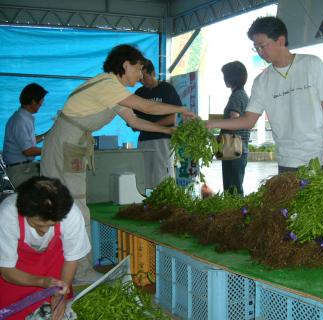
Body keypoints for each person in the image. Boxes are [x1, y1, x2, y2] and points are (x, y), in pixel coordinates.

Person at [40, 44, 195, 282]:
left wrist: (171, 130)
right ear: (126, 65)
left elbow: (137, 122)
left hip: (70, 142)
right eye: (139, 68)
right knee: (74, 206)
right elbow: (146, 107)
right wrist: (181, 108)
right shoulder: (108, 84)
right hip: (66, 144)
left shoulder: (113, 90)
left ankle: (65, 267)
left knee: (69, 205)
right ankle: (80, 271)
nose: (141, 75)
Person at [206, 16, 323, 173]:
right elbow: (248, 120)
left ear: (280, 41)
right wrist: (211, 124)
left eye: (262, 46)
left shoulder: (312, 65)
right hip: (288, 161)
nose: (260, 52)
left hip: (321, 156)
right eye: (256, 48)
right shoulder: (262, 81)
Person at [0, 176, 91, 320]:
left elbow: (71, 258)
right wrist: (42, 282)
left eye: (51, 225)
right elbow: (6, 271)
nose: (43, 231)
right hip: (17, 275)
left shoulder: (70, 214)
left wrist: (61, 293)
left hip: (55, 271)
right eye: (37, 225)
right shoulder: (8, 214)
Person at [134, 59, 182, 190]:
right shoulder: (139, 93)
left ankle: (167, 205)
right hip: (144, 140)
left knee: (163, 174)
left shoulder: (167, 89)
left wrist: (147, 124)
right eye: (140, 78)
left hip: (163, 139)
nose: (142, 80)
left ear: (153, 73)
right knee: (145, 174)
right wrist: (135, 124)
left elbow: (173, 118)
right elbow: (132, 118)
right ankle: (148, 204)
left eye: (145, 77)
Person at [2, 83, 49, 188]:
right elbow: (28, 151)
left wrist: (48, 134)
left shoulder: (24, 117)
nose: (42, 104)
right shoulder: (20, 120)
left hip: (25, 167)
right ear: (33, 102)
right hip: (20, 170)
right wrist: (51, 150)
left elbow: (29, 141)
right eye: (41, 102)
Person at [220, 61, 250, 195]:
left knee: (232, 189)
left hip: (233, 147)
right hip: (240, 147)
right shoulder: (242, 95)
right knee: (235, 186)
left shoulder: (236, 96)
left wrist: (220, 132)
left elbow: (234, 120)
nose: (224, 79)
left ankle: (236, 214)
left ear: (232, 78)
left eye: (225, 76)